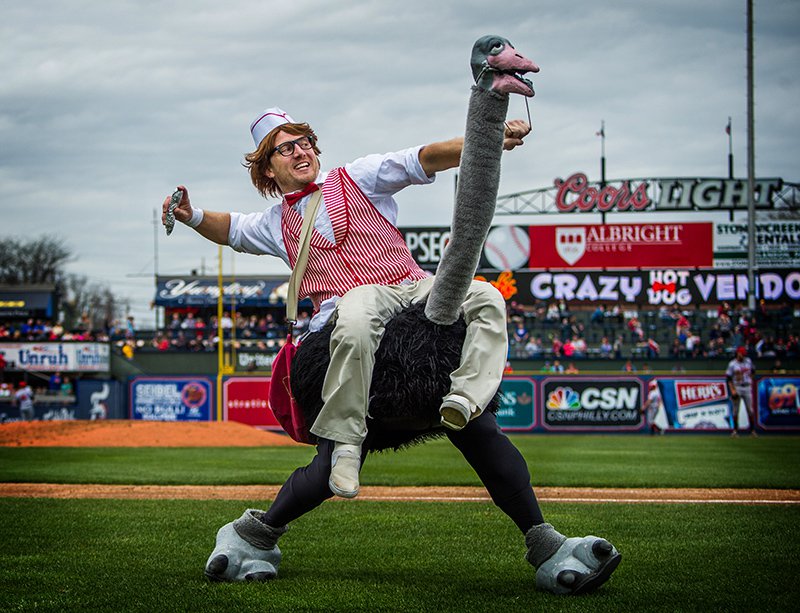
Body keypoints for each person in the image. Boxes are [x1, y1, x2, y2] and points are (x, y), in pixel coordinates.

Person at [172, 36, 620, 595]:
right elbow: (231, 228)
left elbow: (422, 158)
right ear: (267, 168)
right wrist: (190, 216)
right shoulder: (272, 221)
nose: (301, 149)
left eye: (305, 139)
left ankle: (540, 532)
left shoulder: (354, 177)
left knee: (480, 396)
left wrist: (482, 141)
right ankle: (254, 532)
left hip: (414, 313)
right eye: (285, 147)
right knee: (332, 461)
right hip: (345, 339)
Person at [726, 346, 757, 437]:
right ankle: (735, 431)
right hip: (737, 387)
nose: (743, 356)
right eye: (741, 353)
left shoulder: (748, 361)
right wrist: (732, 390)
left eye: (744, 354)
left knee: (750, 410)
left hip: (747, 387)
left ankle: (752, 431)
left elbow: (753, 371)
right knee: (736, 410)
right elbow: (728, 378)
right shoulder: (732, 364)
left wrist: (750, 380)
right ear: (738, 353)